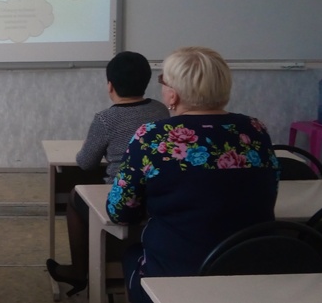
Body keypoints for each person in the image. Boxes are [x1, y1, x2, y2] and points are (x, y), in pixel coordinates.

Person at [106, 47, 279, 303]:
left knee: (132, 254)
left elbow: (120, 211)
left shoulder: (152, 135)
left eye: (163, 81)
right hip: (250, 270)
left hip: (178, 274)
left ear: (173, 94)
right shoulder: (255, 129)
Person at [47, 51, 169, 295]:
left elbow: (85, 163)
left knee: (74, 197)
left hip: (124, 198)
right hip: (157, 195)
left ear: (110, 85)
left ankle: (79, 271)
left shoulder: (106, 118)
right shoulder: (160, 110)